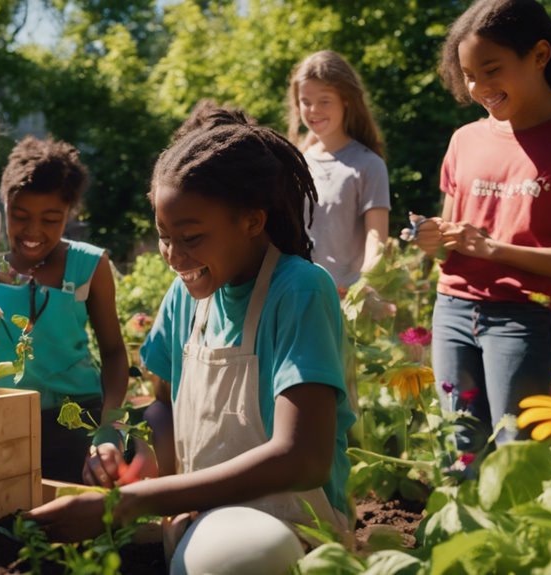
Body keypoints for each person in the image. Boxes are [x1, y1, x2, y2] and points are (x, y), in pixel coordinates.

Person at [27, 115, 355, 575]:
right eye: (164, 237)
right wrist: (131, 446)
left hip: (294, 529)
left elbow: (303, 458)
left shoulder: (299, 289)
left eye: (192, 237)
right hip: (203, 520)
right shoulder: (188, 296)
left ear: (252, 221)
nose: (175, 256)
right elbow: (161, 404)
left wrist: (133, 503)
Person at [412, 0, 551, 444]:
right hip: (451, 310)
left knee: (517, 455)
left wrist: (493, 249)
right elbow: (449, 240)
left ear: (540, 55)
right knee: (458, 453)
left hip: (523, 319)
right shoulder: (464, 140)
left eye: (491, 70)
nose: (478, 87)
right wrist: (431, 237)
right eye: (468, 75)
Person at [0, 136, 128, 484]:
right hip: (0, 418)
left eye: (51, 219)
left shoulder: (90, 265)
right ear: (4, 206)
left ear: (69, 215)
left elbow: (113, 353)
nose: (33, 231)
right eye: (19, 216)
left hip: (76, 418)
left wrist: (111, 428)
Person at [287, 50, 390, 291]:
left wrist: (363, 289)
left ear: (346, 99)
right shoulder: (294, 162)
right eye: (305, 102)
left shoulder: (368, 164)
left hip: (343, 300)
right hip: (297, 294)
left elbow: (377, 240)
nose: (313, 110)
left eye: (324, 101)